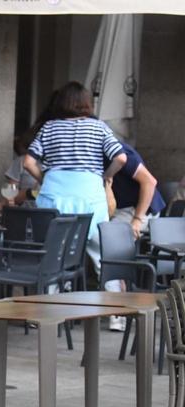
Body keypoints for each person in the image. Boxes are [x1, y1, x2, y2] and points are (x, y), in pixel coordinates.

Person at [23, 81, 126, 278]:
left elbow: (28, 162)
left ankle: (51, 302)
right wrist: (105, 176)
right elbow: (120, 158)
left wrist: (45, 179)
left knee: (55, 257)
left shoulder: (49, 127)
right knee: (102, 257)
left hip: (54, 197)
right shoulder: (99, 127)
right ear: (87, 104)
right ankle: (112, 300)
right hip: (90, 198)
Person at [108, 141, 164, 237]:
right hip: (118, 208)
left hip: (138, 209)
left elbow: (150, 182)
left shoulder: (118, 150)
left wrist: (137, 219)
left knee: (107, 239)